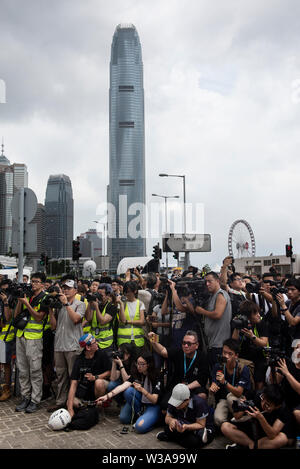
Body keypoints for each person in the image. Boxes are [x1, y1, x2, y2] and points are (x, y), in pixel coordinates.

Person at [96, 352, 162, 434]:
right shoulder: (136, 373)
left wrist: (142, 390)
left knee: (140, 427)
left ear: (148, 364)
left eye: (142, 364)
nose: (139, 366)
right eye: (137, 363)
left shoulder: (156, 375)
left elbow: (154, 400)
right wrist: (106, 396)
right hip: (141, 401)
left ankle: (152, 420)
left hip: (152, 405)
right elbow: (122, 387)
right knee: (124, 415)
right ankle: (140, 414)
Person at [47, 279, 86, 412]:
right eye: (64, 288)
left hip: (73, 345)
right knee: (60, 375)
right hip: (59, 345)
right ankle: (60, 402)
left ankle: (74, 402)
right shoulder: (59, 305)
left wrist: (66, 304)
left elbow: (76, 319)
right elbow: (53, 326)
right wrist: (51, 310)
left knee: (73, 376)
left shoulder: (80, 304)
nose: (65, 290)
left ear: (75, 290)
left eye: (69, 288)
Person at [11, 272, 48, 413]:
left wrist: (27, 304)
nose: (33, 284)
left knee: (35, 370)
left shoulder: (44, 298)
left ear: (43, 284)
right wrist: (21, 302)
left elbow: (39, 317)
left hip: (34, 338)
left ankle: (35, 399)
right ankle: (25, 397)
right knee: (22, 369)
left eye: (36, 281)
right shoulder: (27, 295)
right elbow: (16, 316)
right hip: (21, 335)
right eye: (32, 281)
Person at [148, 330, 209, 411]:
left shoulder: (202, 357)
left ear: (197, 345)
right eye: (184, 343)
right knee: (164, 406)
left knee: (202, 395)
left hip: (193, 387)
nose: (186, 346)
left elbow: (201, 380)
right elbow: (162, 351)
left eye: (189, 343)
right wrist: (153, 340)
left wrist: (185, 388)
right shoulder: (179, 352)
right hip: (177, 386)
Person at [221, 384, 292, 449]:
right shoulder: (256, 394)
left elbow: (272, 435)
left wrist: (261, 417)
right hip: (250, 430)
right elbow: (237, 417)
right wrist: (244, 406)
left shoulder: (283, 410)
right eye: (262, 399)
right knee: (225, 427)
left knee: (282, 439)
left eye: (268, 404)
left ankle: (246, 447)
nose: (263, 404)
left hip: (265, 436)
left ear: (277, 406)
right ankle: (251, 446)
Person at [156, 383, 215, 448]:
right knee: (167, 428)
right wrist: (171, 421)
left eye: (178, 403)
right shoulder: (173, 401)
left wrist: (187, 427)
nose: (175, 405)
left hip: (200, 426)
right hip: (183, 424)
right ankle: (177, 436)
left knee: (193, 442)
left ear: (187, 400)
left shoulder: (199, 403)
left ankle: (171, 437)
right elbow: (167, 418)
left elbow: (201, 424)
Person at [209, 338, 252, 427]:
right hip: (224, 399)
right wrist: (212, 388)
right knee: (218, 419)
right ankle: (231, 426)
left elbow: (239, 392)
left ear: (236, 356)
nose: (226, 356)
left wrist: (225, 382)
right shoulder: (218, 366)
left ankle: (243, 418)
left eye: (230, 354)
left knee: (230, 397)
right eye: (224, 352)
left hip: (239, 399)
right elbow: (214, 383)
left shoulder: (243, 369)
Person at [67, 333, 111, 418]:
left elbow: (109, 372)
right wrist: (70, 409)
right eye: (94, 343)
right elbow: (73, 383)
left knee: (99, 383)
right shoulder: (79, 359)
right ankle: (88, 409)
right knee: (71, 402)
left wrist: (95, 377)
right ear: (88, 347)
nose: (97, 344)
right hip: (85, 392)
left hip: (99, 387)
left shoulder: (101, 354)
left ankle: (99, 408)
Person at [195, 272, 232, 370]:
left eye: (210, 281)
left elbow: (217, 314)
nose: (207, 284)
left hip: (220, 345)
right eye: (206, 282)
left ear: (217, 281)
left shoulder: (220, 294)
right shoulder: (211, 296)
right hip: (212, 344)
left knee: (218, 374)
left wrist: (202, 311)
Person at [232, 300, 269, 390]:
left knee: (258, 381)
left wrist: (252, 337)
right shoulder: (241, 322)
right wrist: (237, 327)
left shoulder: (261, 323)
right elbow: (234, 341)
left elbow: (264, 343)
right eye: (255, 313)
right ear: (248, 316)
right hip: (244, 358)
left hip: (259, 357)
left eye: (258, 312)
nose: (258, 315)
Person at [274, 339, 300, 431]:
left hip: (298, 403)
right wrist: (276, 372)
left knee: (297, 413)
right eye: (296, 348)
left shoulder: (287, 368)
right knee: (288, 440)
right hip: (287, 402)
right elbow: (277, 382)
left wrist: (287, 373)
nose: (298, 350)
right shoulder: (288, 364)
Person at [85, 283, 118, 356]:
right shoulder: (94, 304)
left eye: (101, 295)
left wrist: (96, 307)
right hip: (94, 343)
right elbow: (88, 318)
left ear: (108, 295)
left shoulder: (111, 306)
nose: (99, 297)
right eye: (97, 294)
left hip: (106, 344)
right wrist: (90, 303)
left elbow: (102, 321)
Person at [117, 281, 145, 351]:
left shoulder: (140, 304)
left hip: (137, 340)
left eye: (129, 291)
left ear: (135, 291)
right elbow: (122, 320)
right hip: (123, 340)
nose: (127, 294)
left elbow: (142, 321)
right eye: (125, 292)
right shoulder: (122, 303)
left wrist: (127, 321)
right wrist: (121, 304)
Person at [0, 279, 15, 401]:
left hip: (6, 337)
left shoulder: (11, 299)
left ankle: (7, 389)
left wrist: (5, 302)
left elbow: (8, 317)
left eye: (6, 289)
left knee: (5, 364)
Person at [275, 278, 300, 352]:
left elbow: (293, 322)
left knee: (295, 361)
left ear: (299, 291)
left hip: (297, 340)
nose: (289, 292)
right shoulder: (288, 302)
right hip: (288, 339)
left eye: (292, 289)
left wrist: (283, 305)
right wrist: (274, 299)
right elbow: (276, 314)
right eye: (288, 289)